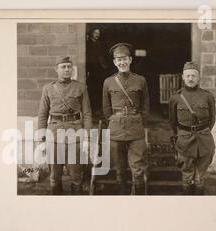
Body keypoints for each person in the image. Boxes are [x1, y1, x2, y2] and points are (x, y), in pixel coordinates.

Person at [37, 56, 92, 195]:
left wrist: (86, 138)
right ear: (56, 69)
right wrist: (41, 140)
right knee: (55, 177)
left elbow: (87, 114)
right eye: (63, 67)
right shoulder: (48, 89)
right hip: (54, 136)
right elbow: (42, 115)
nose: (67, 70)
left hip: (75, 135)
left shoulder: (81, 87)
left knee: (76, 176)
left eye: (69, 67)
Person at [102, 43, 150, 195]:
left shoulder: (140, 80)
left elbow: (145, 105)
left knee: (138, 170)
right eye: (118, 60)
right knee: (119, 168)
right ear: (115, 62)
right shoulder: (108, 82)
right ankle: (123, 199)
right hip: (116, 129)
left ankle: (139, 202)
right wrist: (113, 120)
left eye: (124, 59)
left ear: (130, 60)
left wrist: (142, 122)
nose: (122, 62)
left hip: (136, 128)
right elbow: (105, 107)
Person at [168, 61, 216, 195]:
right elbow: (172, 122)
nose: (190, 79)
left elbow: (212, 119)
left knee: (200, 178)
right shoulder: (175, 98)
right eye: (188, 76)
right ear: (183, 77)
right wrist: (180, 136)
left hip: (205, 141)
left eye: (194, 76)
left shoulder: (208, 96)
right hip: (184, 142)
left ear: (199, 77)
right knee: (187, 177)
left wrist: (203, 131)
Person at [86, 28, 108, 121]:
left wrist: (104, 66)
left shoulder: (100, 44)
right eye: (95, 33)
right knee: (92, 91)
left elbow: (102, 56)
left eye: (98, 33)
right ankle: (93, 111)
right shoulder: (87, 44)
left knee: (99, 90)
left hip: (99, 71)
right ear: (91, 33)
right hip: (91, 71)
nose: (97, 35)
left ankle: (98, 111)